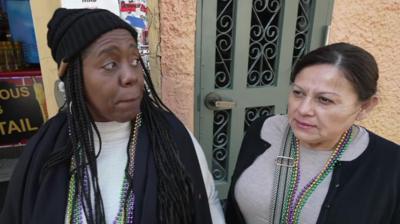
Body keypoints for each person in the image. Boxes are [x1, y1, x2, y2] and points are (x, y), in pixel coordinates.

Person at [0, 8, 225, 224]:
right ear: (73, 77)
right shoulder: (42, 152)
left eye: (135, 61)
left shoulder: (173, 138)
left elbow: (208, 203)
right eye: (110, 64)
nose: (131, 76)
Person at [225, 42, 400, 224]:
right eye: (298, 93)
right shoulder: (263, 130)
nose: (303, 109)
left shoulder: (390, 164)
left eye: (324, 99)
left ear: (365, 107)